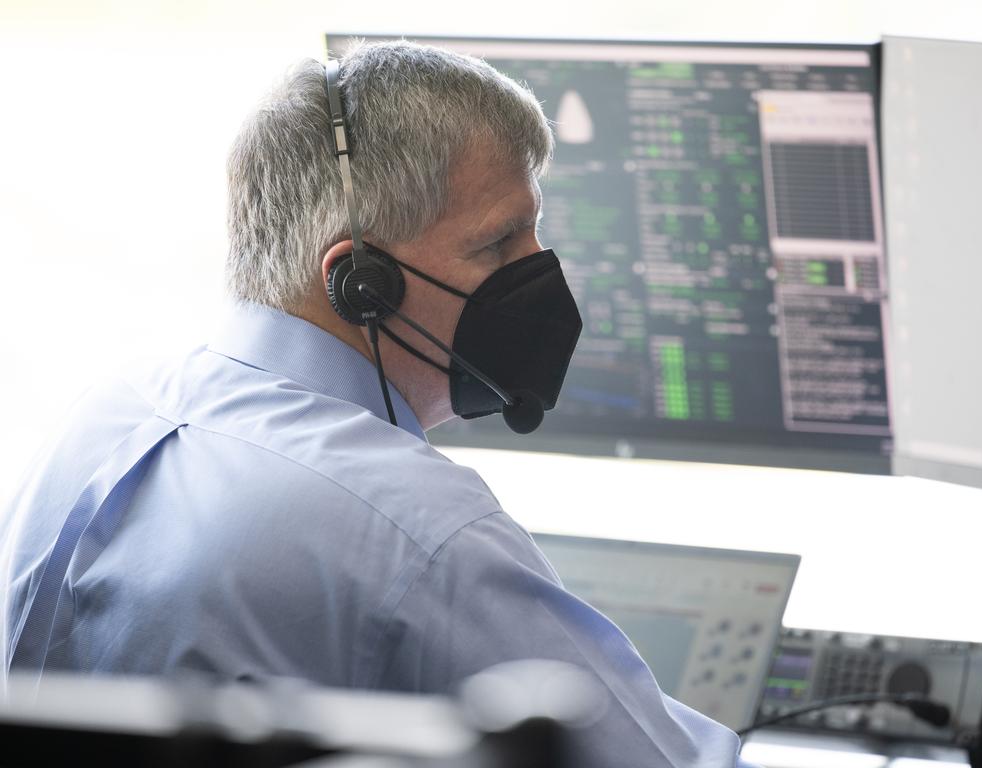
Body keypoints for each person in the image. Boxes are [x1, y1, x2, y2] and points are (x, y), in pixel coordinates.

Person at [1, 41, 750, 766]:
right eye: (498, 244)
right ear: (360, 285)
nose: (540, 273)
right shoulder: (415, 527)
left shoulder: (107, 413)